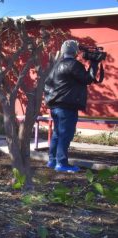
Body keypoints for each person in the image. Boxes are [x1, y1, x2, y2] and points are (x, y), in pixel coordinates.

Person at [44, 40, 98, 173]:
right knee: (65, 134)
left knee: (57, 134)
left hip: (55, 106)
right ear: (75, 52)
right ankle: (62, 163)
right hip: (67, 106)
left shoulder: (56, 66)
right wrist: (94, 63)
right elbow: (88, 78)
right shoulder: (73, 64)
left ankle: (52, 161)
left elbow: (47, 85)